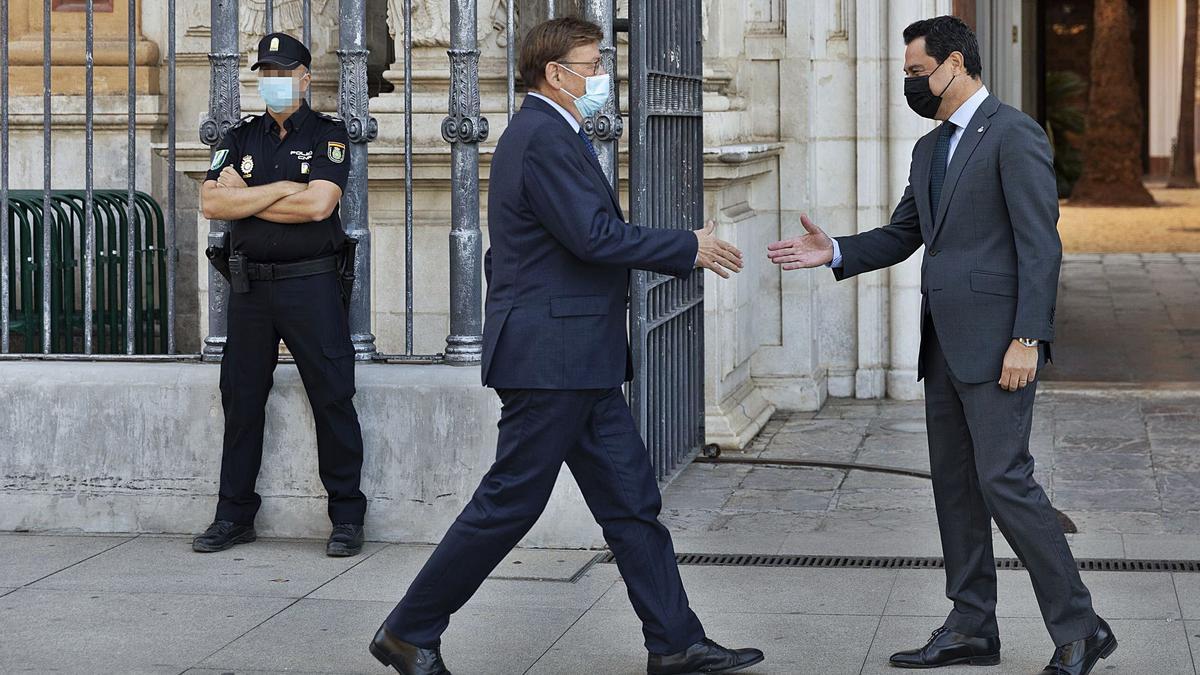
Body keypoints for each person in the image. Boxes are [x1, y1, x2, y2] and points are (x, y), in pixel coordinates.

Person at [369, 17, 764, 675]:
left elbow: (586, 235)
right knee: (512, 499)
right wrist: (684, 247)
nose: (601, 76)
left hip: (578, 354)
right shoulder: (542, 136)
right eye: (592, 63)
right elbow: (595, 237)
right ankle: (409, 629)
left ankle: (674, 641)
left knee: (632, 499)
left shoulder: (551, 133)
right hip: (551, 355)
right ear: (556, 73)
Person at [766, 16, 1116, 675]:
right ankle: (971, 626)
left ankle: (1080, 624)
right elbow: (904, 234)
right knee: (956, 487)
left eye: (917, 73)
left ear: (957, 62)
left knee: (1005, 482)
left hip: (999, 346)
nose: (911, 85)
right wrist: (835, 249)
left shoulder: (1014, 135)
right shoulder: (930, 151)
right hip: (943, 348)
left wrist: (1028, 338)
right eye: (904, 75)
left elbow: (1041, 246)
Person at [192, 32, 367, 558]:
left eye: (284, 72)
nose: (274, 82)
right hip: (249, 287)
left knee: (332, 396)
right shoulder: (241, 136)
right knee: (241, 399)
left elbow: (319, 208)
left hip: (310, 284)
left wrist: (245, 198)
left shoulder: (329, 135)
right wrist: (282, 190)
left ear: (305, 78)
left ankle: (347, 517)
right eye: (265, 73)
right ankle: (233, 515)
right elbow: (211, 204)